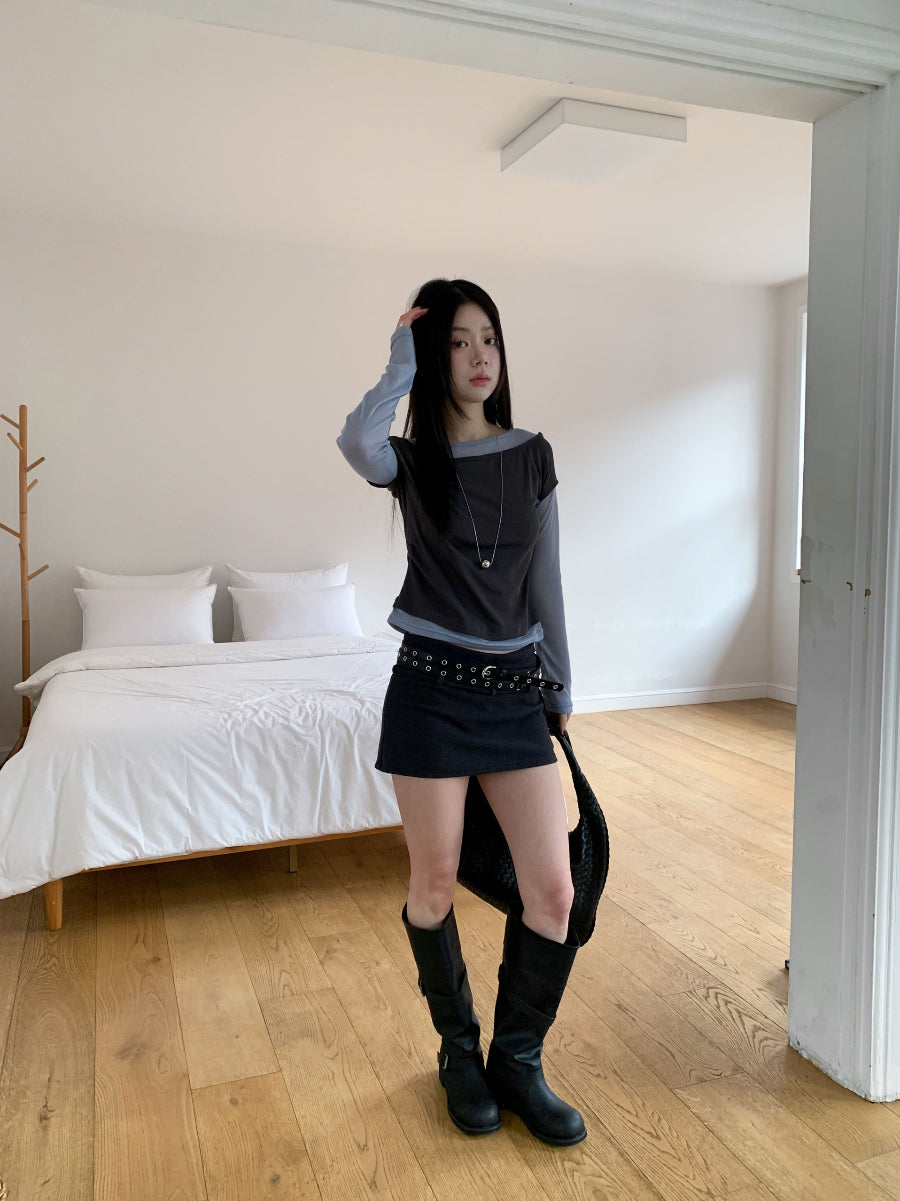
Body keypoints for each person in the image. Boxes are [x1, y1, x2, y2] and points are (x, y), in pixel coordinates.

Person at [337, 278, 585, 1146]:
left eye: (490, 339)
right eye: (459, 341)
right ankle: (457, 1053)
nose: (480, 357)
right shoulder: (410, 463)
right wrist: (399, 360)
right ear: (434, 354)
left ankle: (518, 1061)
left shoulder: (533, 455)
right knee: (434, 883)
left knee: (553, 891)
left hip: (514, 694)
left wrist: (560, 686)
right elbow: (357, 441)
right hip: (432, 689)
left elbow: (546, 581)